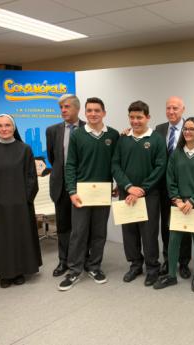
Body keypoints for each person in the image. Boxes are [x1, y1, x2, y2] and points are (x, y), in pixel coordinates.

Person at [58, 97, 119, 291]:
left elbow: (116, 163)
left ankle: (94, 266)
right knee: (79, 232)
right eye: (89, 110)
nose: (93, 114)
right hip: (82, 194)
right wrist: (72, 191)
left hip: (103, 193)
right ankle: (74, 269)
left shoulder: (114, 135)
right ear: (85, 113)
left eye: (97, 110)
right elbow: (71, 165)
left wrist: (115, 183)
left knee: (99, 232)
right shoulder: (77, 135)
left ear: (104, 113)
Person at [0, 114, 42, 288]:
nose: (4, 129)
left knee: (20, 238)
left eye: (7, 125)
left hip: (21, 204)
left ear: (13, 128)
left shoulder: (25, 149)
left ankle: (20, 271)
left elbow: (31, 177)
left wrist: (27, 199)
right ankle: (4, 274)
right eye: (0, 126)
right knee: (1, 239)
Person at [154, 117, 194, 292]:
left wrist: (193, 200)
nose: (187, 132)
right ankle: (172, 275)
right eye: (185, 129)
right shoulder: (176, 153)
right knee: (174, 239)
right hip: (179, 203)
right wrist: (177, 199)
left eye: (192, 129)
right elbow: (170, 177)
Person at [112, 100, 167, 286]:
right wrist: (128, 186)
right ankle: (135, 265)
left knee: (149, 232)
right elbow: (115, 164)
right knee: (129, 231)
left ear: (148, 117)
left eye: (139, 117)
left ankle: (153, 268)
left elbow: (161, 167)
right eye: (132, 117)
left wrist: (142, 189)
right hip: (126, 193)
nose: (135, 121)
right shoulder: (123, 139)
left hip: (149, 194)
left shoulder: (157, 139)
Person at [46, 94, 85, 277]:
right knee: (63, 226)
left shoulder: (88, 129)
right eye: (61, 107)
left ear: (77, 108)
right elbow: (53, 159)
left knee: (82, 226)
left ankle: (82, 258)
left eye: (67, 107)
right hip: (61, 185)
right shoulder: (52, 130)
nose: (63, 110)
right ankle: (64, 261)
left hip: (83, 186)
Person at [155, 96, 192, 279]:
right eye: (168, 107)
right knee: (166, 226)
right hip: (163, 187)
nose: (171, 111)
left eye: (175, 108)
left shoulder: (192, 128)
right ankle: (168, 259)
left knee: (184, 226)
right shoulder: (159, 129)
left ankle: (184, 263)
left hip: (185, 187)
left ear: (183, 109)